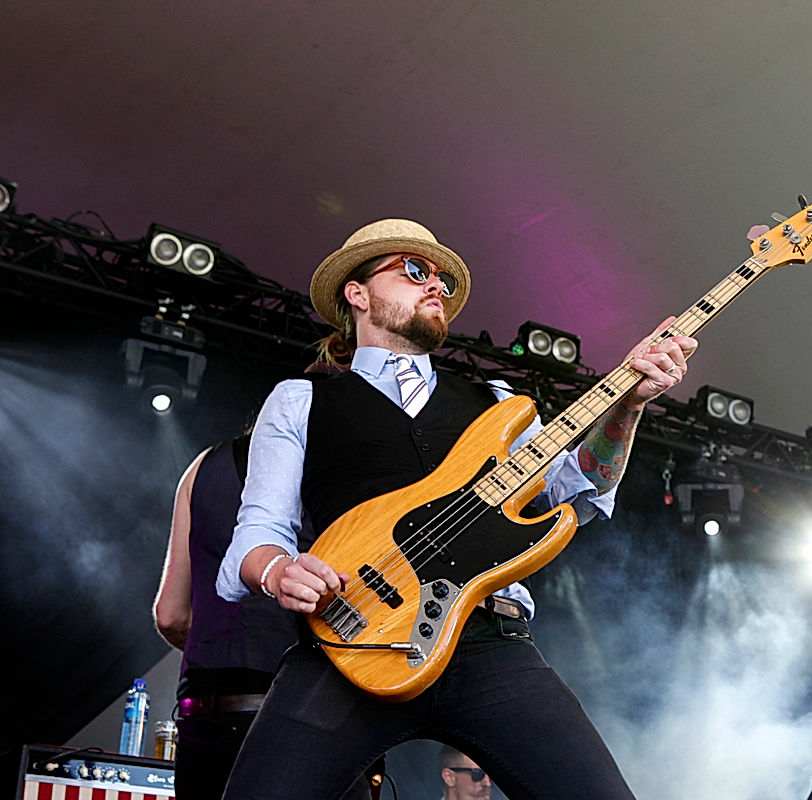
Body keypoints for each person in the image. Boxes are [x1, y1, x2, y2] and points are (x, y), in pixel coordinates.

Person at [215, 218, 696, 800]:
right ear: (357, 292)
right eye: (414, 271)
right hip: (352, 638)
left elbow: (576, 489)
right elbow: (259, 531)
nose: (435, 285)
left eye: (441, 277)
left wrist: (629, 407)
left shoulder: (495, 404)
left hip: (489, 642)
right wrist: (279, 570)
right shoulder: (301, 400)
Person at [154, 430, 380, 799]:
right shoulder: (340, 465)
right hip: (308, 715)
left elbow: (170, 616)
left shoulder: (200, 467)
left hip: (204, 716)